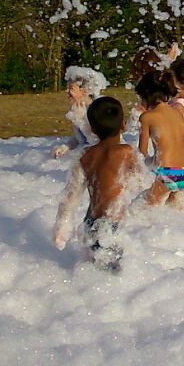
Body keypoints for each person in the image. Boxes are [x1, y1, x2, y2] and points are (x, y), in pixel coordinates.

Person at [52, 97, 145, 273]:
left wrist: (62, 226)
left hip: (90, 225)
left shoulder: (85, 155)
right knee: (113, 275)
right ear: (123, 125)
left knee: (95, 272)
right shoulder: (127, 152)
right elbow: (140, 181)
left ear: (92, 129)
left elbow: (70, 195)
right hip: (110, 227)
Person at [135, 71, 184, 208]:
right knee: (173, 212)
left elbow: (141, 152)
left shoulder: (147, 117)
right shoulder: (177, 113)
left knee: (141, 209)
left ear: (146, 96)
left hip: (167, 172)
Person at [52, 66, 109, 158]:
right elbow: (79, 138)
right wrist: (66, 147)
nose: (67, 91)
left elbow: (98, 142)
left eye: (71, 88)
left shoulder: (100, 109)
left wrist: (80, 120)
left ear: (84, 91)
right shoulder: (78, 107)